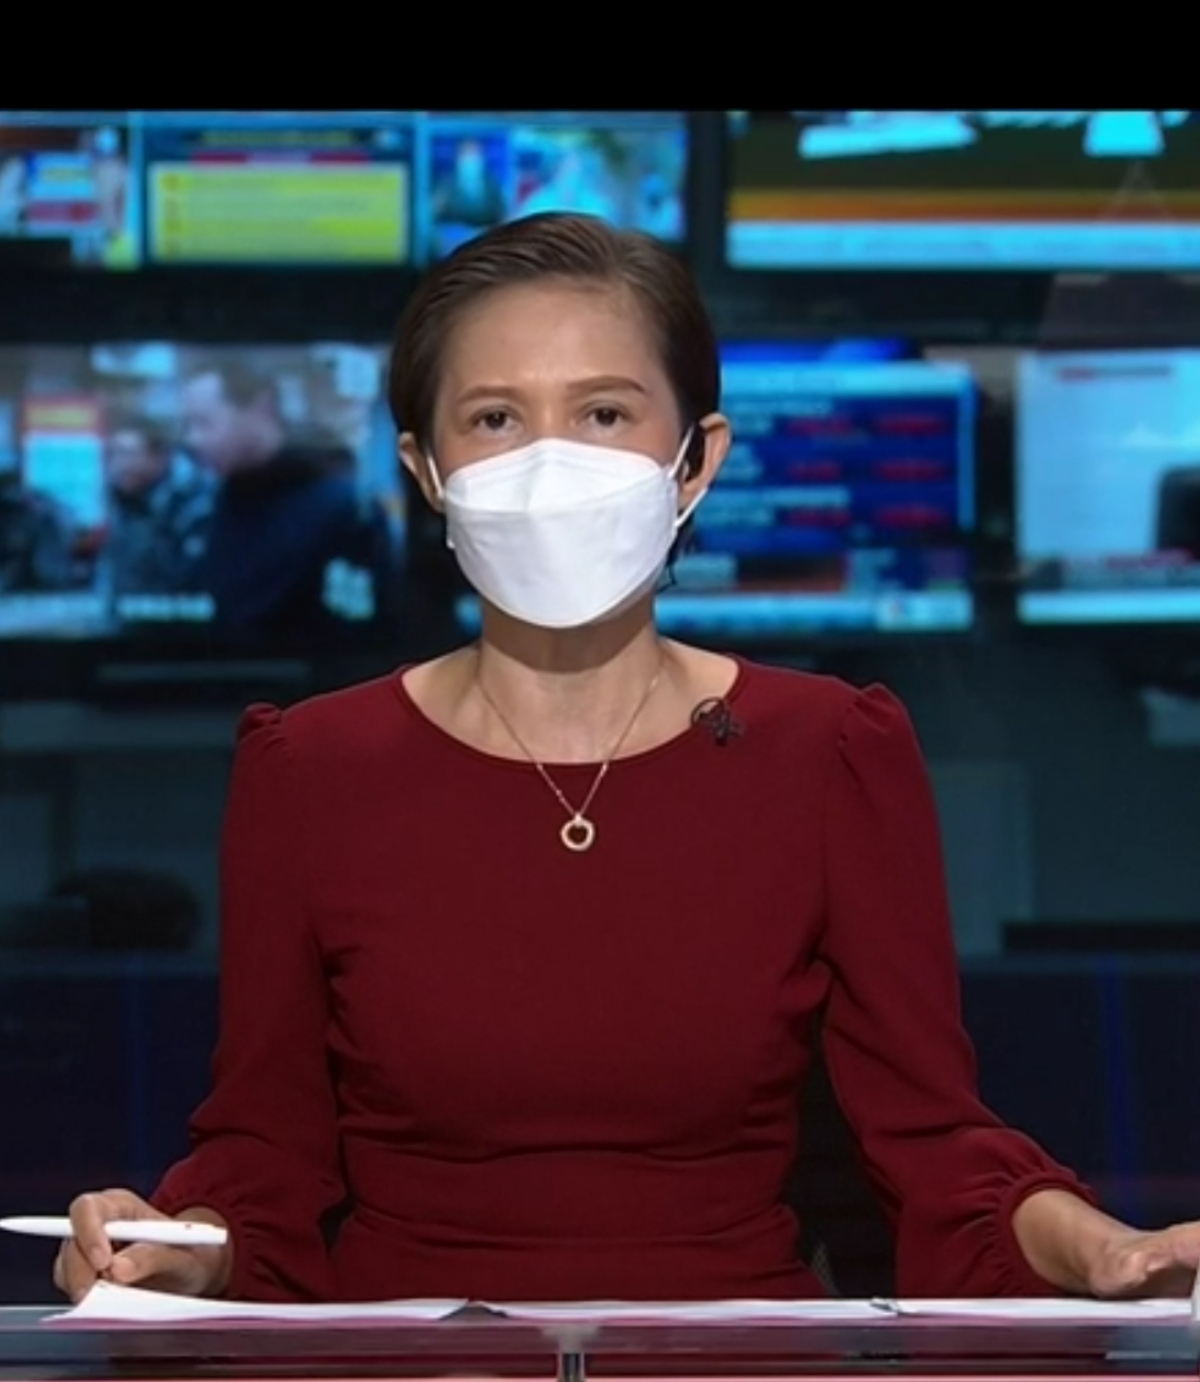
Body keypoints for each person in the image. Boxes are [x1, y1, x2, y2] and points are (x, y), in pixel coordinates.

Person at [55, 213, 1200, 1307]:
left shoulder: (831, 752)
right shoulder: (311, 767)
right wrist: (172, 1250)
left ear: (696, 462)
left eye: (603, 413)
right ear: (426, 470)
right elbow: (264, 1151)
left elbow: (931, 1141)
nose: (549, 464)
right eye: (495, 420)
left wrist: (1106, 1251)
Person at [179, 358, 397, 641]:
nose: (193, 440)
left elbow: (361, 635)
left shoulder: (344, 508)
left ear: (261, 409)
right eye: (188, 425)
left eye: (204, 423)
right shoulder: (210, 502)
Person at [102, 411, 214, 599]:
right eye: (113, 454)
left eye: (129, 454)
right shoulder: (124, 502)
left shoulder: (193, 505)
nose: (120, 465)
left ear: (161, 457)